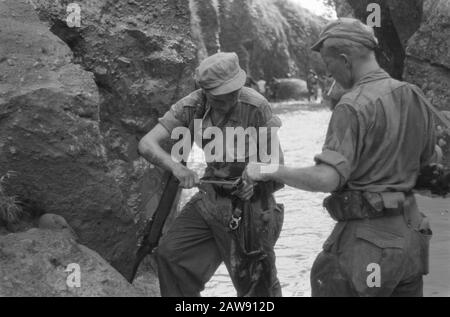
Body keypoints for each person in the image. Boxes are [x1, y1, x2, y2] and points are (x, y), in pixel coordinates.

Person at [244, 18, 437, 296]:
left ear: (345, 60)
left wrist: (270, 169)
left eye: (328, 64)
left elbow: (326, 178)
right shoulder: (413, 94)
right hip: (411, 240)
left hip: (365, 246)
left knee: (328, 275)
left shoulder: (353, 105)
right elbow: (431, 157)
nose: (329, 73)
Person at [138, 52, 285, 297]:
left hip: (251, 204)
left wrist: (255, 177)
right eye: (219, 99)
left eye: (233, 95)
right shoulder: (190, 106)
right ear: (204, 91)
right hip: (209, 200)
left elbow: (277, 164)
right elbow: (146, 144)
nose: (227, 103)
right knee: (171, 256)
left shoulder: (256, 106)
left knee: (257, 284)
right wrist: (176, 167)